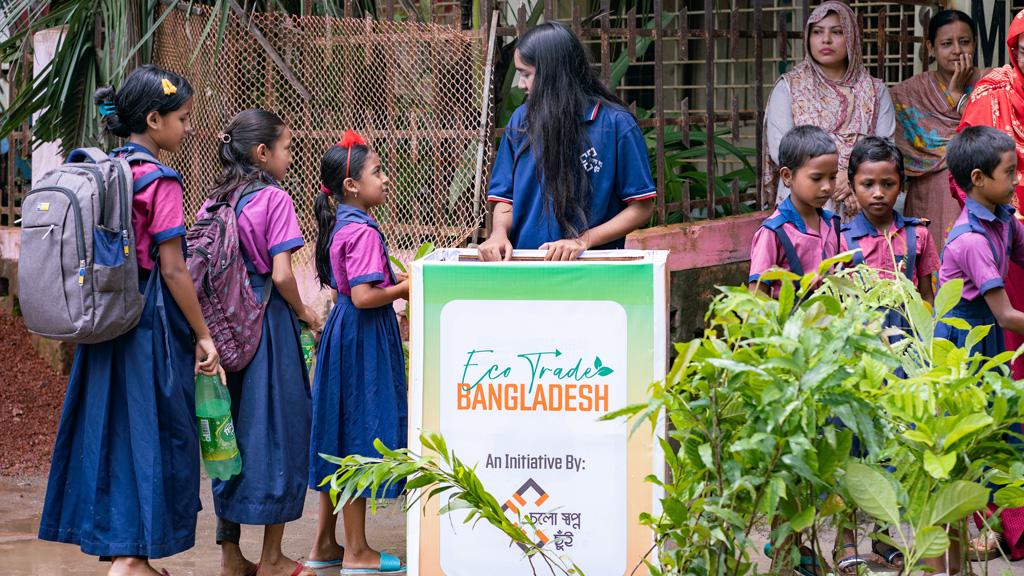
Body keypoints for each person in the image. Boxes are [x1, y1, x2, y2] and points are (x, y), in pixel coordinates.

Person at [37, 65, 220, 576]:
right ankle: (132, 560)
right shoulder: (159, 179)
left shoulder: (105, 168)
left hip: (102, 324)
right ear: (155, 120)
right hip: (146, 326)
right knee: (156, 433)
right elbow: (174, 268)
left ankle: (125, 551)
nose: (188, 128)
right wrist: (203, 334)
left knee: (110, 433)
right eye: (183, 119)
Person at [198, 109, 318, 576]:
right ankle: (271, 558)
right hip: (266, 328)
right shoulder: (275, 198)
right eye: (287, 148)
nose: (290, 156)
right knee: (277, 434)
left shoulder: (216, 200)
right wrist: (305, 312)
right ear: (262, 153)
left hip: (223, 333)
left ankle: (231, 555)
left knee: (231, 437)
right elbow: (283, 273)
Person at [834, 137, 940, 574]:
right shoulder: (839, 238)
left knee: (893, 448)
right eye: (867, 184)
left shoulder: (918, 234)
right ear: (852, 187)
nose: (878, 193)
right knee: (850, 447)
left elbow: (930, 300)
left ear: (901, 185)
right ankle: (844, 542)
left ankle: (884, 539)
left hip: (905, 359)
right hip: (858, 359)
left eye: (887, 184)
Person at [306, 132, 408, 574]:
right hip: (362, 336)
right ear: (350, 186)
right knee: (359, 433)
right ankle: (358, 552)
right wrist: (411, 284)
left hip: (344, 333)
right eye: (377, 172)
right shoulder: (362, 229)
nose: (385, 179)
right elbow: (366, 296)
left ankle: (325, 545)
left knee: (339, 431)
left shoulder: (343, 223)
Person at [478, 21, 655, 262]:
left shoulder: (617, 124)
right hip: (523, 264)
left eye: (526, 74)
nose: (520, 85)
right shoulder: (521, 118)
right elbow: (505, 199)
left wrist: (583, 241)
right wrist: (498, 234)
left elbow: (642, 207)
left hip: (592, 270)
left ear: (552, 72)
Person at [764, 1, 895, 218]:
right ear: (808, 38)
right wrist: (832, 177)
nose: (826, 40)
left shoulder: (875, 91)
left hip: (860, 200)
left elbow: (885, 149)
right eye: (817, 32)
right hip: (804, 203)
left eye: (837, 32)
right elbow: (782, 150)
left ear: (851, 37)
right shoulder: (789, 87)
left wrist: (852, 177)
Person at [890, 9, 981, 253]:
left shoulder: (989, 85)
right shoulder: (908, 95)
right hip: (927, 197)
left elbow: (990, 141)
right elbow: (898, 155)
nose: (957, 50)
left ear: (974, 43)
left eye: (964, 42)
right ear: (930, 47)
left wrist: (957, 96)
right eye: (946, 43)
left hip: (979, 191)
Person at [749, 125, 842, 298]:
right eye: (816, 178)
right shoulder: (774, 232)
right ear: (787, 176)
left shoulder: (832, 224)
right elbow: (756, 296)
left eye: (833, 177)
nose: (827, 187)